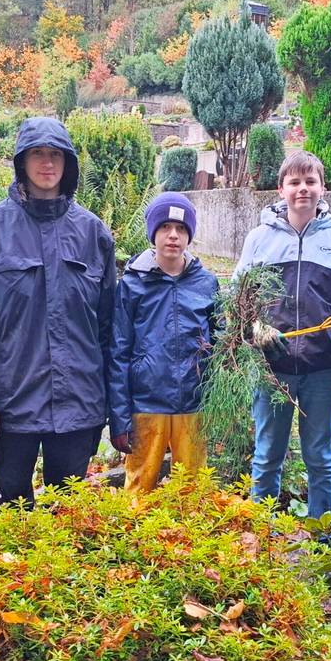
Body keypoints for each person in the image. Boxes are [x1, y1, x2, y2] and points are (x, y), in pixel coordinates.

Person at [0, 116, 116, 509]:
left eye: (56, 155)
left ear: (69, 163)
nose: (47, 163)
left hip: (79, 401)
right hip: (12, 404)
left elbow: (110, 328)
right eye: (37, 154)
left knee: (70, 514)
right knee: (9, 508)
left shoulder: (94, 233)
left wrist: (115, 404)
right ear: (21, 162)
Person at [235, 151, 331, 519]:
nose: (302, 189)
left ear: (323, 188)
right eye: (294, 182)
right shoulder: (259, 240)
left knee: (321, 457)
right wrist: (253, 326)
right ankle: (260, 535)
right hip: (272, 370)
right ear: (281, 190)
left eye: (310, 181)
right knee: (266, 456)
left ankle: (323, 536)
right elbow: (237, 298)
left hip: (323, 370)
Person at [108, 192, 219, 492]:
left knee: (193, 488)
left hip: (194, 405)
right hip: (147, 403)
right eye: (165, 227)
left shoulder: (206, 284)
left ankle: (193, 537)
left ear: (189, 235)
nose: (173, 235)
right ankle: (136, 539)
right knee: (139, 486)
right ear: (153, 232)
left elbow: (221, 345)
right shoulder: (132, 285)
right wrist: (119, 419)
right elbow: (118, 352)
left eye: (181, 228)